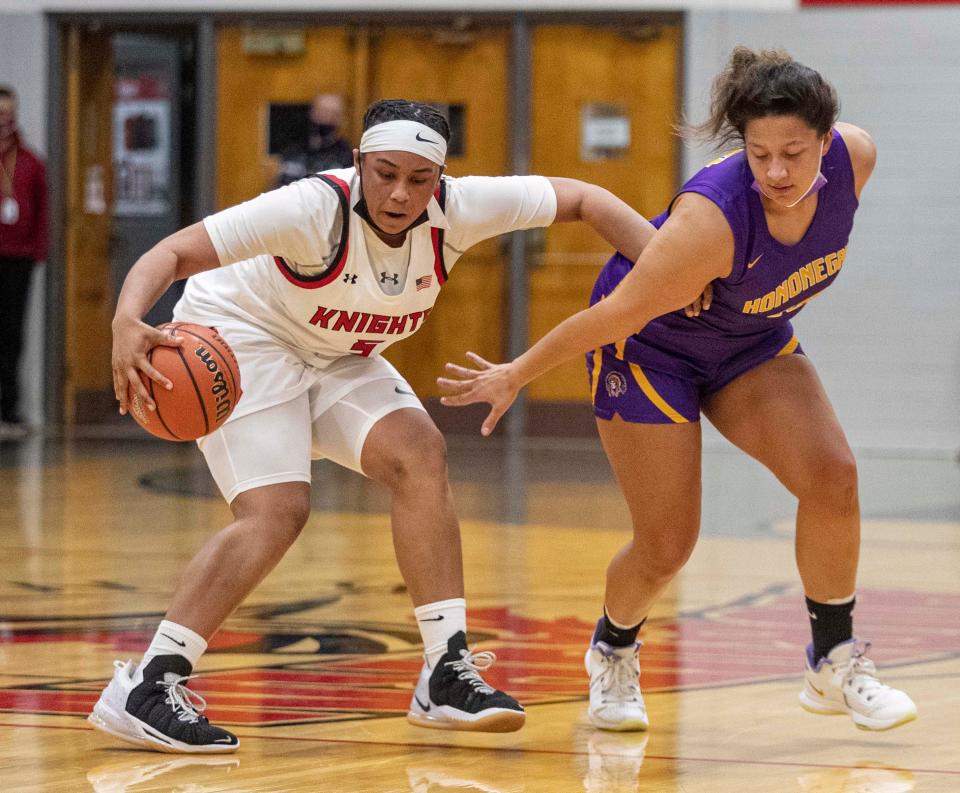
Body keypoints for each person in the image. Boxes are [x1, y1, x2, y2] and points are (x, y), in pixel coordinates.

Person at [89, 98, 656, 753]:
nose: (400, 192)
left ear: (440, 180)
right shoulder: (310, 208)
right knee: (276, 510)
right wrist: (126, 320)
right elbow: (173, 251)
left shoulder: (460, 208)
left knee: (420, 453)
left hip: (333, 352)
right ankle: (149, 682)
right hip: (242, 337)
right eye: (385, 172)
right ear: (357, 162)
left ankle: (445, 673)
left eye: (419, 179)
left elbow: (586, 197)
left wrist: (669, 269)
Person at [439, 48, 917, 733]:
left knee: (834, 475)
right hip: (650, 350)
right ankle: (613, 648)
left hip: (748, 340)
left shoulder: (856, 159)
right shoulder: (713, 221)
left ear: (827, 140)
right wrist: (514, 373)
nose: (776, 172)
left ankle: (832, 662)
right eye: (759, 155)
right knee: (667, 544)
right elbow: (611, 316)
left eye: (793, 152)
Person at [0, 84, 47, 439]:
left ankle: (10, 411)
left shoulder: (30, 161)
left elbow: (43, 211)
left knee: (13, 336)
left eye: (9, 114)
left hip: (19, 259)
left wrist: (37, 252)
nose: (5, 121)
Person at [275, 92, 354, 186]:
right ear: (312, 113)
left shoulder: (348, 156)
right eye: (323, 112)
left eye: (334, 114)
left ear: (342, 119)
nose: (327, 118)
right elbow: (281, 189)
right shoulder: (294, 150)